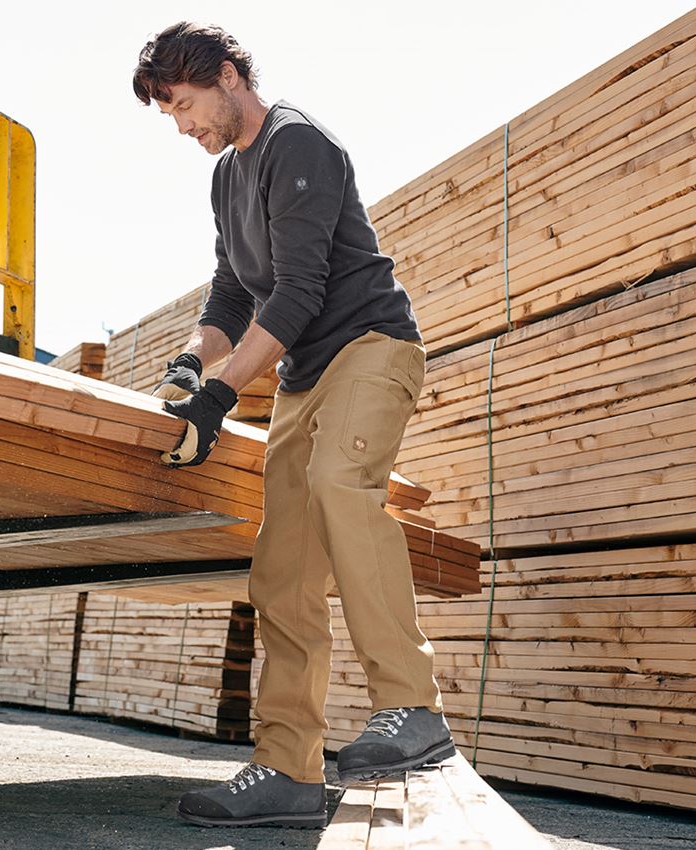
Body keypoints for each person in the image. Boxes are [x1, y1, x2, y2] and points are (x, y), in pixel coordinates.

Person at [133, 22, 454, 829]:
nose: (181, 124)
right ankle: (289, 773)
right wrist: (190, 363)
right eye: (169, 112)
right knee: (282, 570)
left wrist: (221, 398)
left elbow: (299, 293)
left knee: (340, 487)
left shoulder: (297, 143)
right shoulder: (227, 178)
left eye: (183, 103)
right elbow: (231, 295)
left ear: (229, 75)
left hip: (371, 347)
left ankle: (413, 709)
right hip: (306, 377)